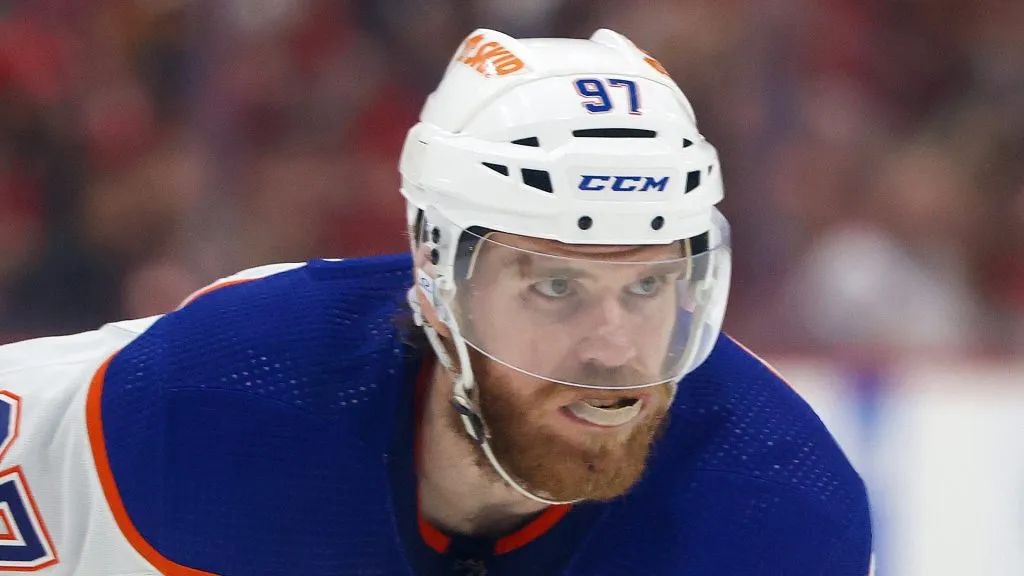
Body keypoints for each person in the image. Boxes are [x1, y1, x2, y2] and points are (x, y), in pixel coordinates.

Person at [0, 28, 872, 575]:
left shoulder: (776, 507)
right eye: (556, 285)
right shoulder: (217, 405)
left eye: (648, 284)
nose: (614, 349)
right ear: (436, 277)